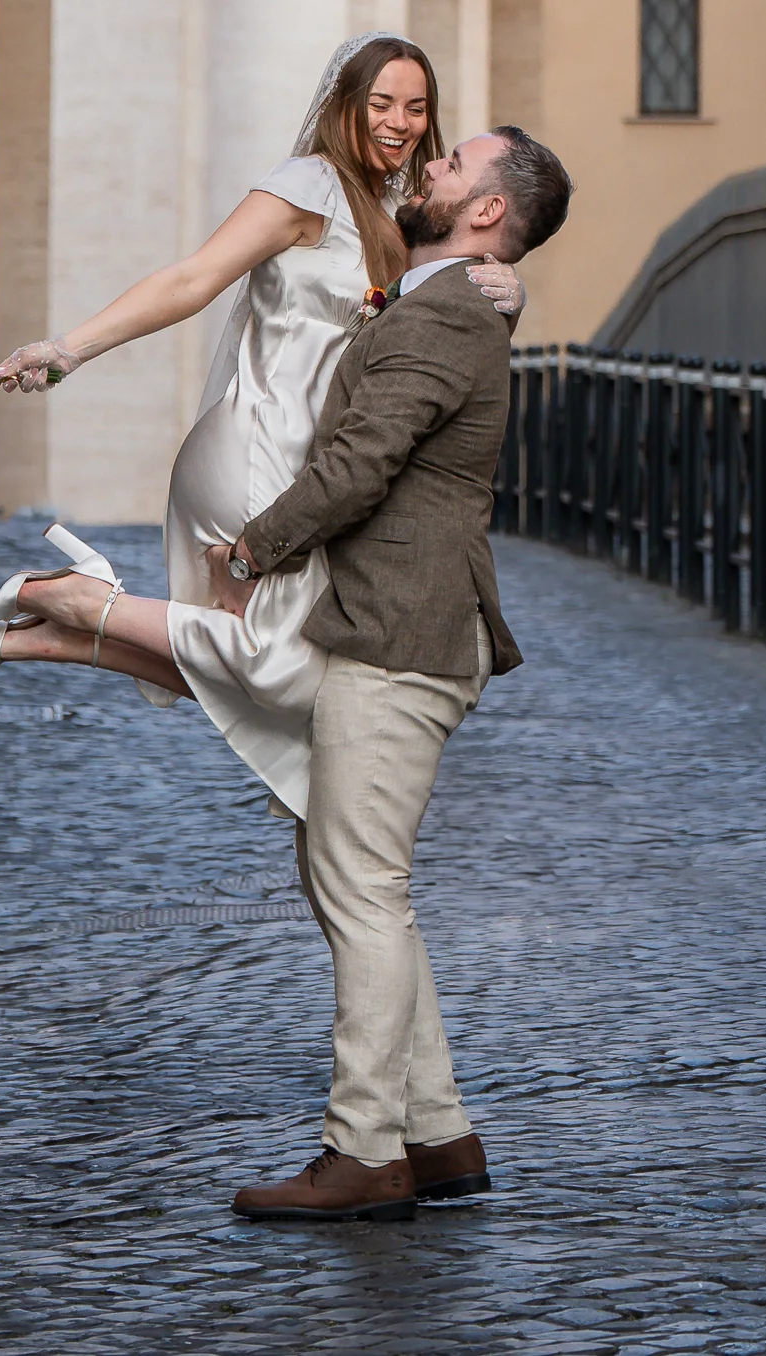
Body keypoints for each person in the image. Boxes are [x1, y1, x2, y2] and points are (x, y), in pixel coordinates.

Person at [0, 34, 524, 824]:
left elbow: (439, 313)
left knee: (293, 666)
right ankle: (72, 602)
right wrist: (67, 350)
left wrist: (509, 287)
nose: (399, 122)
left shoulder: (397, 218)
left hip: (309, 459)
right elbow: (192, 278)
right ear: (343, 105)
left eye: (415, 107)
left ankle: (48, 635)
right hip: (263, 446)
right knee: (286, 666)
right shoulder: (309, 186)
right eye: (380, 103)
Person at [223, 119, 573, 1226]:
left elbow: (360, 461)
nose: (431, 164)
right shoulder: (446, 298)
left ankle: (363, 1149)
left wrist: (251, 550)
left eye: (454, 161)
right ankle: (438, 1133)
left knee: (363, 889)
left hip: (401, 633)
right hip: (395, 624)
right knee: (354, 880)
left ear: (486, 211)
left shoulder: (447, 312)